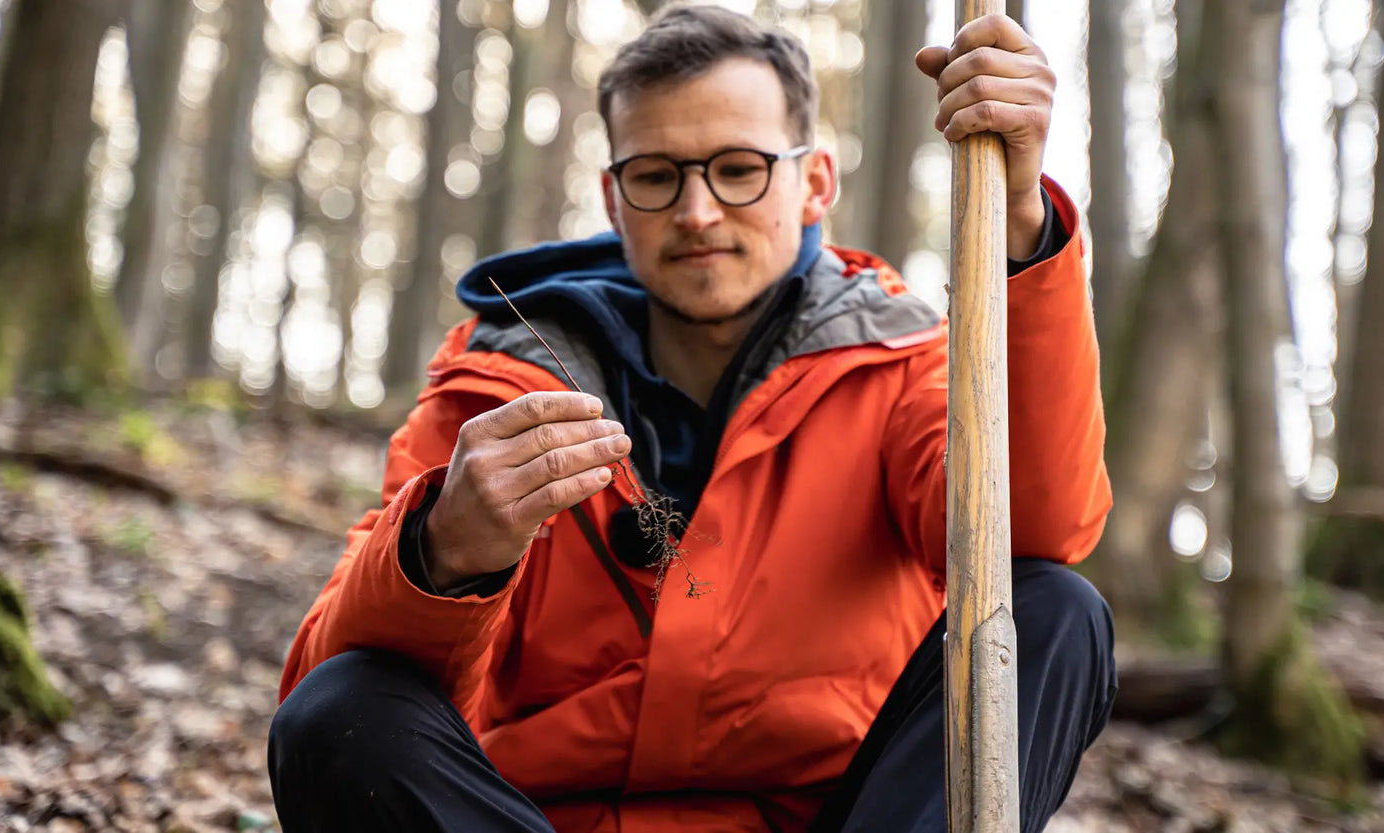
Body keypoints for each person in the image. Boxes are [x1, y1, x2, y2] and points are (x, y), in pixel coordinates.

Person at [267, 5, 1116, 832]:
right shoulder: (497, 387)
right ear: (613, 199)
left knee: (1053, 610)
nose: (697, 211)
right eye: (655, 175)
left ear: (815, 182)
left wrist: (1020, 217)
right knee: (341, 708)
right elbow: (325, 702)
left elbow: (1039, 526)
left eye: (740, 169)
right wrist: (443, 554)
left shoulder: (897, 369)